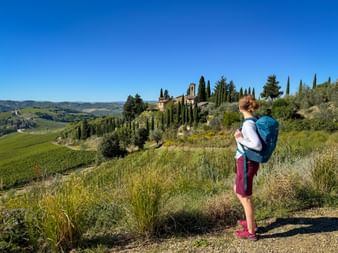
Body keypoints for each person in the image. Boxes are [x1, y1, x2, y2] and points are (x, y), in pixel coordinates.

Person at [233, 95, 262, 240]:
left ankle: (251, 231)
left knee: (246, 197)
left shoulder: (248, 124)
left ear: (240, 108)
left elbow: (257, 145)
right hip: (245, 162)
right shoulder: (252, 121)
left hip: (246, 163)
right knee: (237, 190)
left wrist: (240, 139)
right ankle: (251, 222)